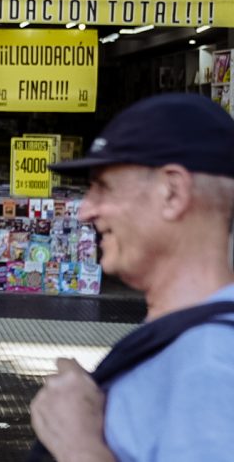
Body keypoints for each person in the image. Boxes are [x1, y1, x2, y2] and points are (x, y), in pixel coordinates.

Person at [29, 93, 234, 461]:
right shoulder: (186, 342)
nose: (85, 211)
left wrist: (79, 446)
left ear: (172, 192)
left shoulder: (215, 365)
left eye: (103, 187)